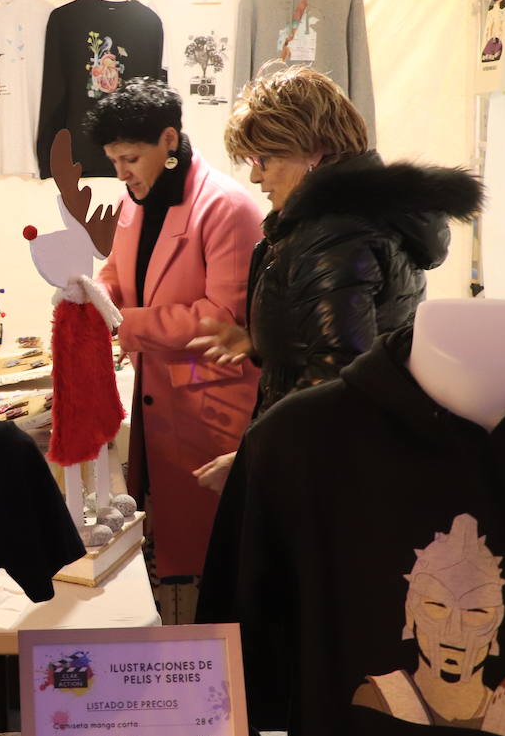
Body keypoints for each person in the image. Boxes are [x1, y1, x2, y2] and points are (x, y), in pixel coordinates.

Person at [187, 66, 482, 492]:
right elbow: (346, 338)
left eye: (263, 159)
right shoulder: (355, 219)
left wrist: (255, 457)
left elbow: (341, 374)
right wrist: (262, 342)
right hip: (354, 451)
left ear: (313, 150)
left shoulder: (334, 232)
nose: (256, 176)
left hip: (331, 468)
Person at [86, 77, 263, 620]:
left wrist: (122, 323)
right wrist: (94, 298)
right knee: (163, 535)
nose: (121, 172)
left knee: (214, 551)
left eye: (130, 158)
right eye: (113, 159)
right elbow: (119, 272)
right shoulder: (133, 200)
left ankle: (212, 659)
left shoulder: (227, 206)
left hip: (211, 401)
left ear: (169, 140)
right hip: (159, 391)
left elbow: (223, 316)